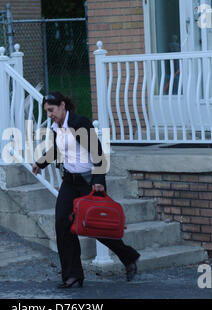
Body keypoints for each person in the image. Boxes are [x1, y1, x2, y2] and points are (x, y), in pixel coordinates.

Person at [32, 92, 141, 289]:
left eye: (52, 110)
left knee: (96, 226)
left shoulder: (80, 123)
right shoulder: (56, 127)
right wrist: (41, 162)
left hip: (90, 181)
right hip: (70, 181)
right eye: (47, 111)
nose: (49, 115)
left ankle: (129, 257)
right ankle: (72, 276)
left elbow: (98, 152)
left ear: (62, 105)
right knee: (62, 226)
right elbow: (58, 149)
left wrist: (99, 180)